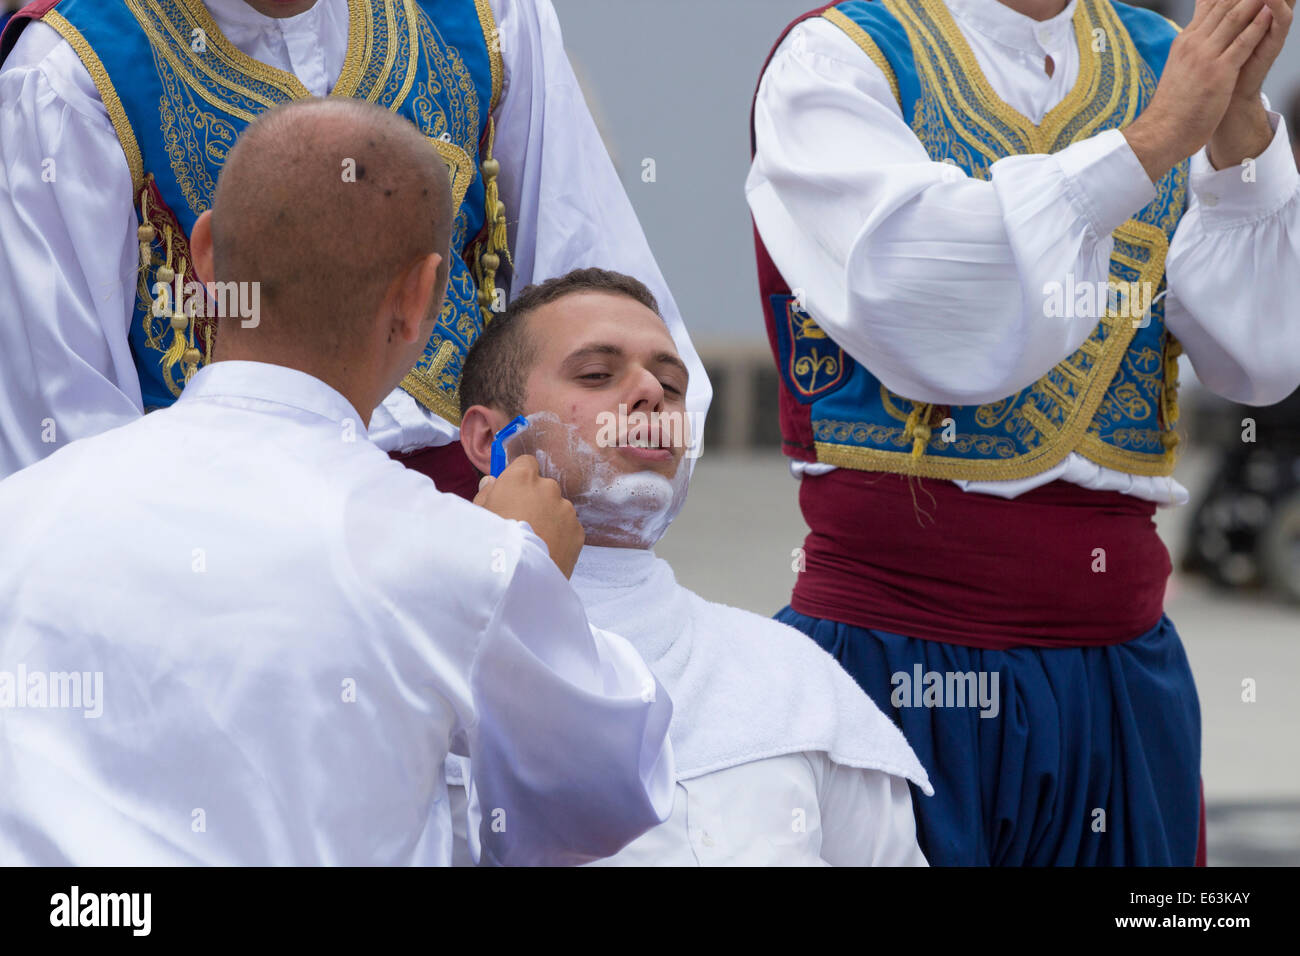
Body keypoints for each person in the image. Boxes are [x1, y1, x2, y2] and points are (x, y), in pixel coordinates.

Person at [0, 99, 675, 867]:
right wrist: (532, 579)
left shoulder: (18, 516)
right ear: (421, 297)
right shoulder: (467, 560)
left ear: (208, 255)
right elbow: (602, 799)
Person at [747, 0, 1300, 865]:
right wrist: (1151, 141)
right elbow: (930, 301)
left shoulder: (1171, 59)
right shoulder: (841, 56)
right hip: (898, 659)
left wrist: (1237, 128)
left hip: (1121, 671)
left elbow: (1263, 359)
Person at [0, 0, 710, 492]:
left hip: (487, 514)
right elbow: (64, 437)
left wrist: (605, 499)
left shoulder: (491, 17)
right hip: (228, 537)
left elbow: (592, 283)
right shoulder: (68, 74)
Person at [443, 267, 932, 866]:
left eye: (672, 385)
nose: (650, 390)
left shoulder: (796, 677)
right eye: (597, 374)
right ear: (487, 437)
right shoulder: (422, 666)